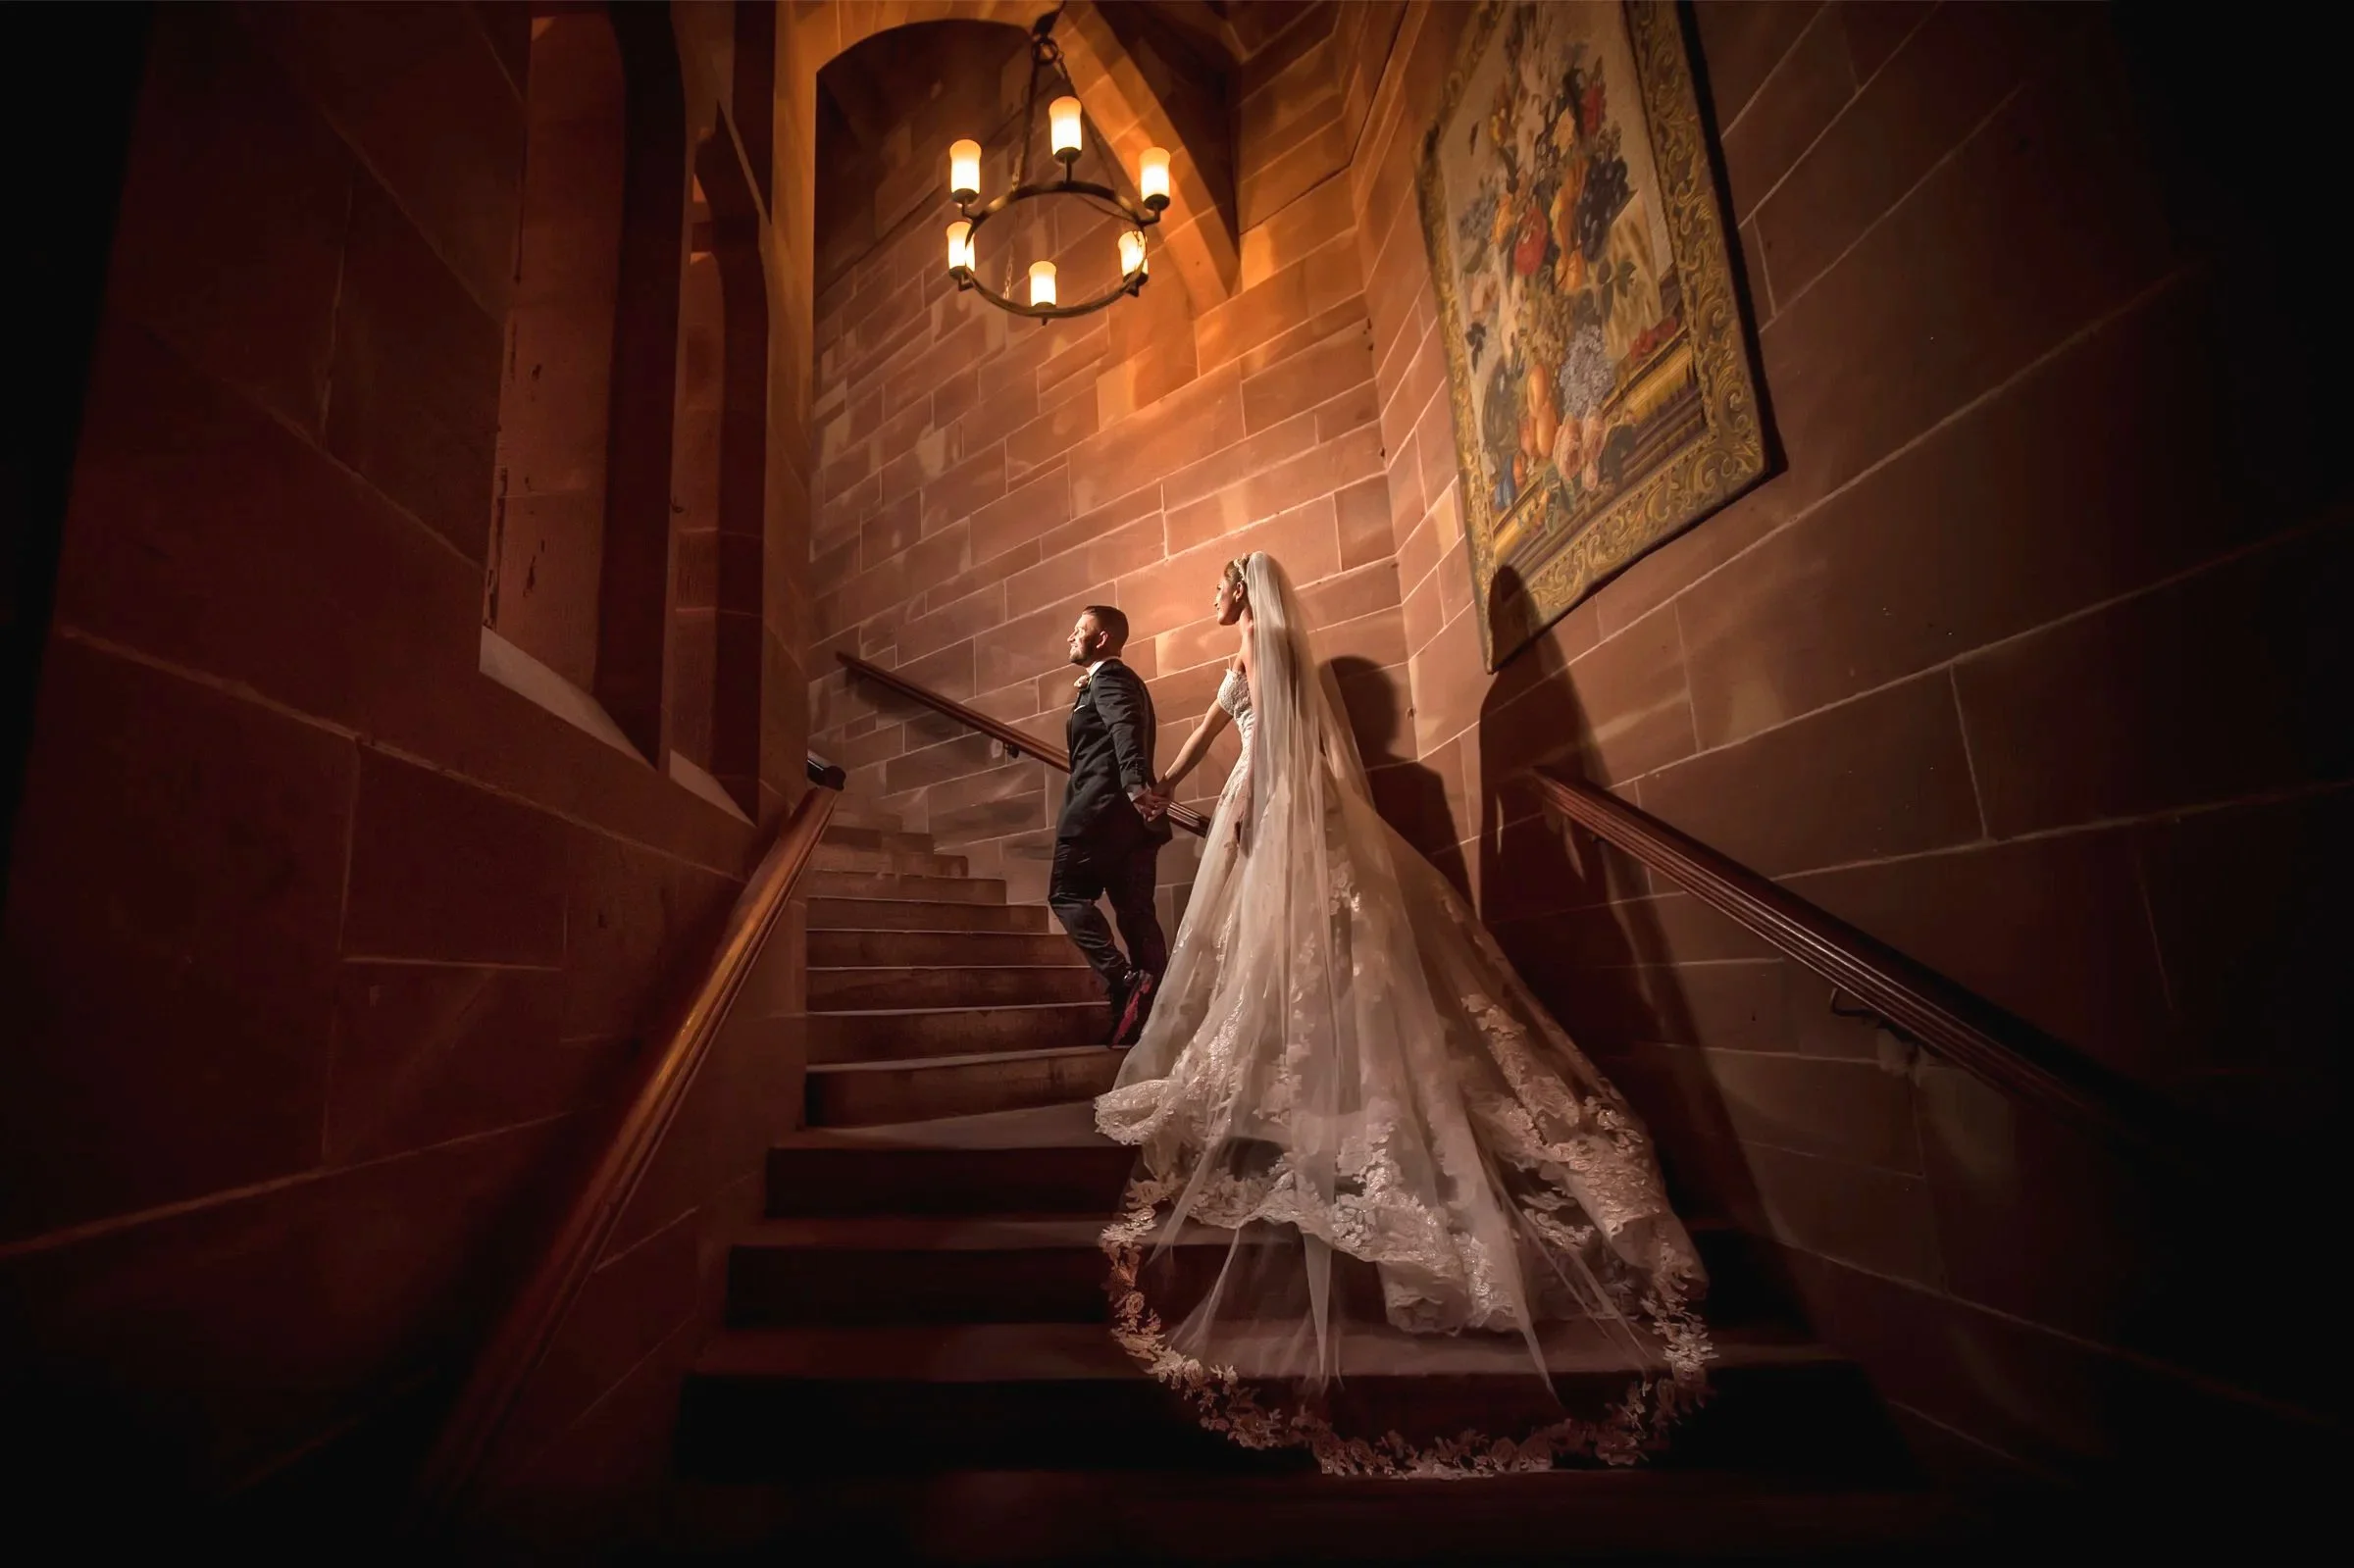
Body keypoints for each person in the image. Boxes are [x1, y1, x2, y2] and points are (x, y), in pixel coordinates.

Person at [1099, 552, 1712, 1478]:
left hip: (1277, 801)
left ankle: (1317, 1091)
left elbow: (1274, 742)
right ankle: (1306, 1079)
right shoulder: (1258, 651)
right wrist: (1169, 785)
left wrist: (1248, 810)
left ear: (1244, 589)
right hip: (1272, 799)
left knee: (1299, 957)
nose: (1214, 599)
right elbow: (1224, 729)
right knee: (1302, 958)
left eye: (1221, 585)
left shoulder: (1262, 639)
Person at [1049, 604, 1170, 1046]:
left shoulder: (1112, 678)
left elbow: (1125, 727)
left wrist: (1135, 784)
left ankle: (1124, 981)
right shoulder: (1113, 681)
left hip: (1099, 814)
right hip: (1131, 824)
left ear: (1101, 639)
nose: (1070, 637)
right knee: (1136, 913)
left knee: (1066, 895)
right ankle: (1149, 1016)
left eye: (1079, 630)